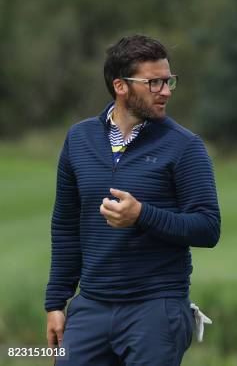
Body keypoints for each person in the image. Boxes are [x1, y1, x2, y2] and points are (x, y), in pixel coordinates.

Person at [45, 35, 221, 366]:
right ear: (120, 86)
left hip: (156, 310)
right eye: (154, 82)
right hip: (91, 308)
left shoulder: (185, 146)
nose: (166, 91)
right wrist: (56, 302)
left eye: (168, 81)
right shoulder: (79, 139)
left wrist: (142, 215)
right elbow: (66, 225)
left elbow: (208, 227)